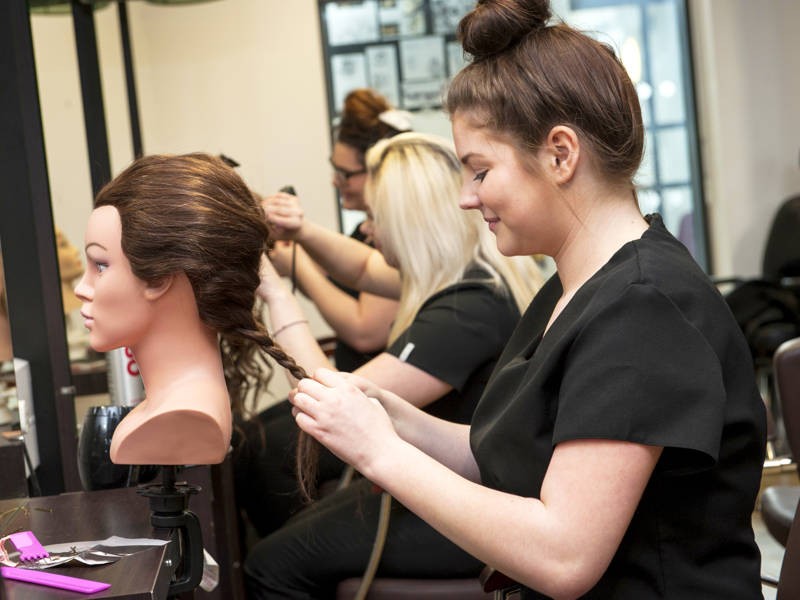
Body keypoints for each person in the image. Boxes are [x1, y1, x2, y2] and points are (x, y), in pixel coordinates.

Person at [285, 1, 768, 599]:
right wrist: (392, 416)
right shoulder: (572, 290)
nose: (467, 198)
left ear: (560, 154)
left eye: (480, 171)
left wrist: (381, 452)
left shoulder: (644, 308)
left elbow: (564, 556)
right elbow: (501, 452)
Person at [243, 132, 544, 598]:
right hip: (456, 485)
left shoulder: (467, 309)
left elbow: (329, 396)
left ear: (409, 226)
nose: (366, 229)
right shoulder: (470, 278)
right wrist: (300, 232)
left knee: (269, 566)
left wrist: (276, 294)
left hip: (471, 507)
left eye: (374, 216)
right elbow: (363, 269)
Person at [232, 89, 410, 534]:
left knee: (266, 451)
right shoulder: (370, 240)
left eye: (343, 173)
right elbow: (360, 267)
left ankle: (288, 549)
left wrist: (293, 271)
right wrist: (299, 234)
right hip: (352, 378)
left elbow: (366, 329)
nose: (335, 181)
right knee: (247, 437)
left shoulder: (414, 256)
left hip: (365, 391)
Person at [73, 153, 306, 465]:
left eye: (100, 265)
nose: (81, 288)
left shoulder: (182, 417)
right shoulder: (167, 412)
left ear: (158, 279)